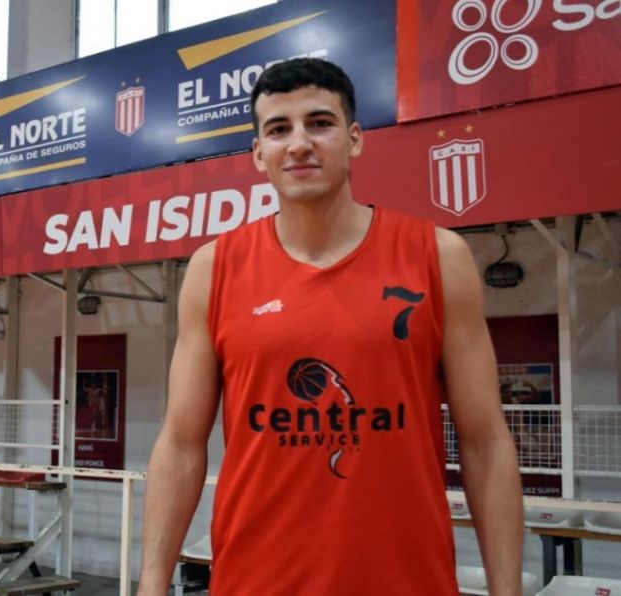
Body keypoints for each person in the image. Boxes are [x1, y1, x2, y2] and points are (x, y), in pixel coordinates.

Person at [138, 58, 524, 595]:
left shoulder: (437, 256)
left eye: (319, 123)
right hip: (257, 581)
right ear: (259, 153)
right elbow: (181, 443)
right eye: (279, 129)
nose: (299, 144)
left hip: (405, 582)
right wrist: (151, 583)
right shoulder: (214, 268)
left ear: (355, 138)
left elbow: (485, 442)